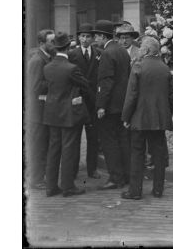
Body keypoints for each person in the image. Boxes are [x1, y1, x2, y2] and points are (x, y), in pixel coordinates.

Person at [121, 36, 173, 200]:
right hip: (158, 119)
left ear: (145, 50)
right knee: (158, 155)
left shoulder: (138, 66)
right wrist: (167, 114)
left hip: (139, 118)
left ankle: (135, 191)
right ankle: (158, 189)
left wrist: (126, 116)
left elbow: (131, 96)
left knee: (137, 153)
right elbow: (171, 96)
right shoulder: (165, 68)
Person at [42, 32, 92, 197]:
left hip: (51, 113)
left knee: (53, 149)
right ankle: (68, 186)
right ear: (68, 47)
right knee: (69, 149)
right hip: (69, 114)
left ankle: (51, 187)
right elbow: (85, 85)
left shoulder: (47, 67)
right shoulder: (71, 68)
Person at [93, 19, 131, 190]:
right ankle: (126, 175)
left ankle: (115, 178)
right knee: (123, 140)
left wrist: (101, 105)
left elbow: (105, 82)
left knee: (109, 142)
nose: (95, 40)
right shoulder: (122, 51)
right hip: (122, 105)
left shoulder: (107, 53)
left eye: (96, 36)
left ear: (102, 36)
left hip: (110, 106)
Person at [68, 23, 101, 179]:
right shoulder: (72, 54)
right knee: (74, 137)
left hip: (93, 101)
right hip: (78, 100)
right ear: (78, 37)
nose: (85, 39)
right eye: (82, 36)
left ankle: (92, 169)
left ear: (92, 38)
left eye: (88, 36)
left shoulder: (99, 53)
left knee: (93, 137)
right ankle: (73, 170)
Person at [26, 29, 55, 189]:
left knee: (44, 144)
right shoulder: (38, 61)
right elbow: (35, 86)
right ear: (42, 43)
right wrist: (54, 82)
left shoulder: (47, 58)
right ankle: (36, 179)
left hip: (44, 110)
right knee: (39, 145)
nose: (54, 44)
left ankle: (39, 176)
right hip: (38, 111)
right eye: (51, 41)